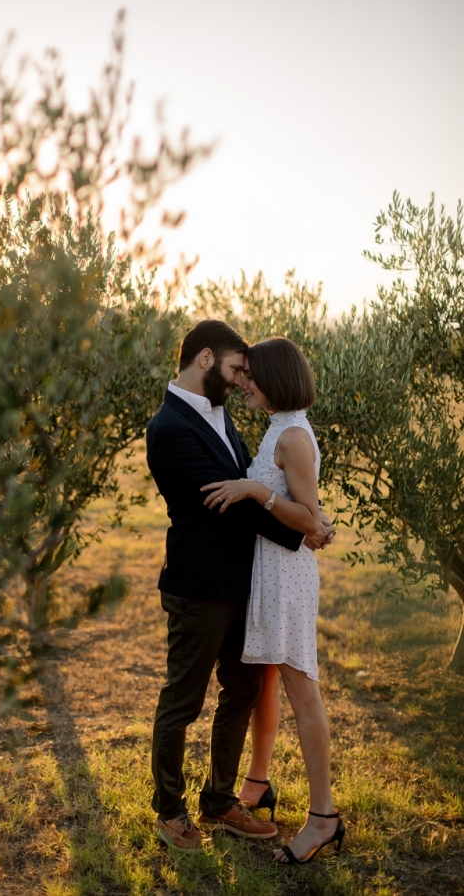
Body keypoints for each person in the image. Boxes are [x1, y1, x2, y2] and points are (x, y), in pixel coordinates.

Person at [146, 321, 334, 850]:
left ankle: (221, 799)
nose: (237, 383)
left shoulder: (221, 416)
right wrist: (306, 530)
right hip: (199, 587)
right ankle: (170, 812)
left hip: (244, 585)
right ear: (205, 358)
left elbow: (260, 486)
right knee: (183, 699)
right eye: (233, 371)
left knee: (244, 689)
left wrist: (307, 521)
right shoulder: (169, 428)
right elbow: (228, 509)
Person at [201, 336, 344, 864]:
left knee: (303, 691)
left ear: (276, 378)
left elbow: (308, 518)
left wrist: (253, 491)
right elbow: (312, 517)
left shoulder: (293, 439)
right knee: (269, 679)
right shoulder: (280, 428)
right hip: (271, 571)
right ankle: (258, 782)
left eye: (251, 376)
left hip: (288, 578)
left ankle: (323, 817)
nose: (244, 383)